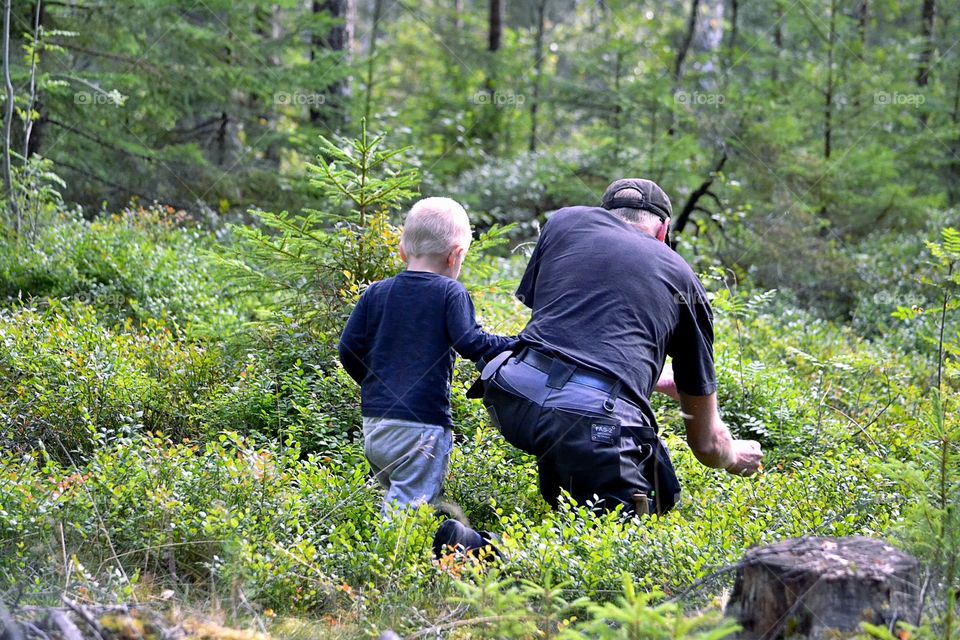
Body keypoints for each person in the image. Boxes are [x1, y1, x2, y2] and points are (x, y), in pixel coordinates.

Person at [474, 178, 762, 519]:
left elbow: (566, 330)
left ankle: (559, 509)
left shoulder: (565, 222)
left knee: (620, 470)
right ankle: (479, 547)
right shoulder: (683, 278)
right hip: (590, 420)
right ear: (663, 231)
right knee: (633, 525)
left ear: (605, 214)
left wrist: (646, 376)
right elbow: (706, 445)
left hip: (512, 395)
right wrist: (732, 454)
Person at [338, 197, 516, 515]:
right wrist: (517, 344)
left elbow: (348, 349)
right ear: (456, 255)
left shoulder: (375, 292)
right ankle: (393, 563)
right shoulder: (450, 292)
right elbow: (471, 343)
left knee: (394, 495)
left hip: (376, 423)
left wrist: (373, 385)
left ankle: (377, 557)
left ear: (403, 250)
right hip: (421, 424)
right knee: (410, 508)